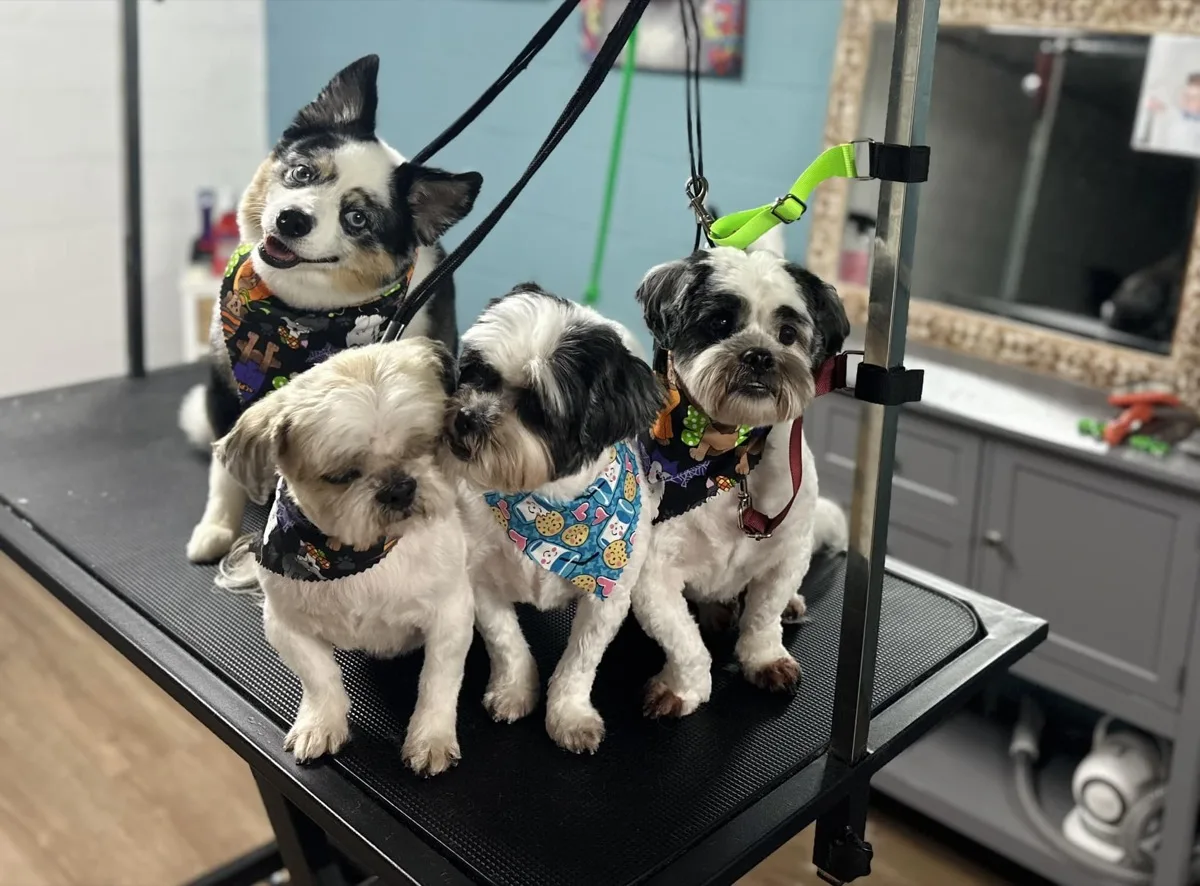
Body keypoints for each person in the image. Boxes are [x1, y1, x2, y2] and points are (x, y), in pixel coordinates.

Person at [1146, 72, 1200, 156]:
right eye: (1185, 95)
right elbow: (1167, 111)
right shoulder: (1179, 114)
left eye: (1193, 97)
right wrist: (1158, 106)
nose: (1187, 100)